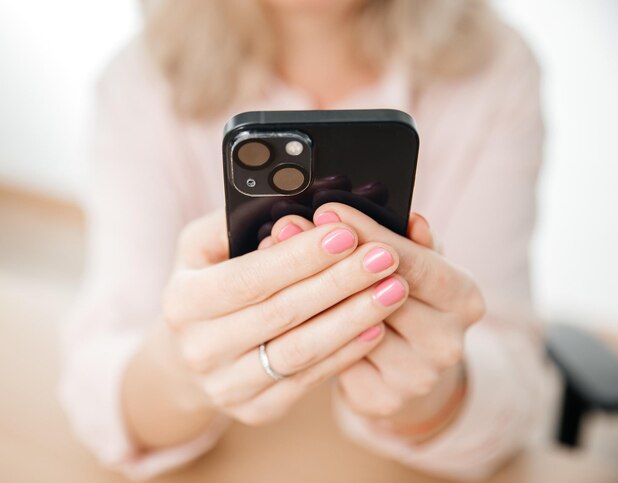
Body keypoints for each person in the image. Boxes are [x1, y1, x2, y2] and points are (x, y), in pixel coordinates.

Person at [59, 0, 548, 480]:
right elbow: (97, 383)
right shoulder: (139, 82)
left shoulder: (495, 69)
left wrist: (431, 391)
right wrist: (178, 374)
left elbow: (517, 381)